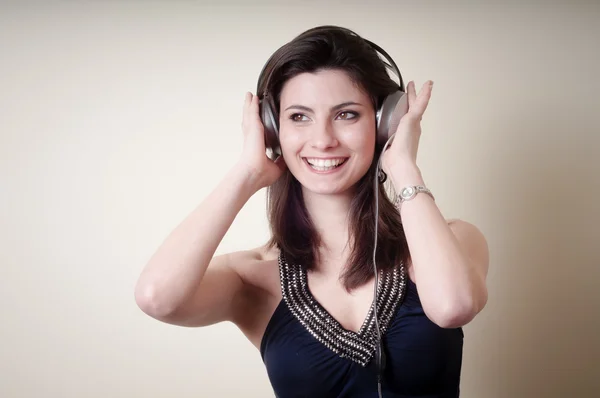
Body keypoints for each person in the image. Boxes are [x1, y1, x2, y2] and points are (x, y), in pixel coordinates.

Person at [134, 25, 490, 397]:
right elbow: (157, 297)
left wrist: (403, 167)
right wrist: (248, 172)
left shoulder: (455, 238)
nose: (322, 140)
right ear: (272, 129)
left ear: (385, 124)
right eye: (299, 117)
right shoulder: (251, 278)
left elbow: (453, 306)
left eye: (347, 114)